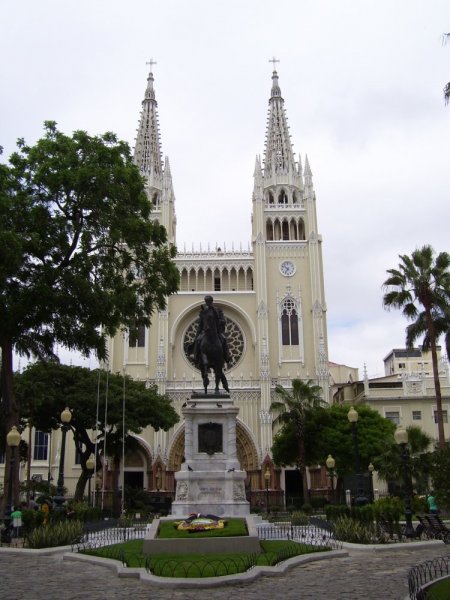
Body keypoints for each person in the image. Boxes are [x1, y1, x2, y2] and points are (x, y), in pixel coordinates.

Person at [193, 295, 231, 367]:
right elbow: (201, 322)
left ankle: (227, 356)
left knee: (224, 339)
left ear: (211, 301)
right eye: (206, 301)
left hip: (216, 331)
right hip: (205, 331)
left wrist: (216, 322)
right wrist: (199, 331)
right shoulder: (204, 311)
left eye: (208, 301)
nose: (207, 302)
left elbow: (223, 321)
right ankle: (195, 357)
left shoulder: (218, 310)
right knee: (198, 340)